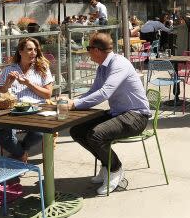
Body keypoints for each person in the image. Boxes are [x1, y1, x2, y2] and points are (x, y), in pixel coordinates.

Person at [64, 33, 151, 195]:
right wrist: (71, 101)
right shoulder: (103, 67)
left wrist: (74, 104)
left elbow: (104, 93)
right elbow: (94, 91)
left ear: (96, 50)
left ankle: (115, 168)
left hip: (136, 116)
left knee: (96, 135)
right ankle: (107, 164)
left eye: (88, 49)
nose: (88, 52)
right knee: (77, 131)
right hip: (118, 113)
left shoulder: (119, 64)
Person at [0, 37, 54, 162]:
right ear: (20, 52)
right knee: (0, 133)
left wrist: (28, 84)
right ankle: (21, 155)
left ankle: (20, 152)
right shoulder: (9, 70)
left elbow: (48, 94)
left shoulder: (42, 68)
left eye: (35, 50)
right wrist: (7, 84)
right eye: (29, 49)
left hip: (36, 110)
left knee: (40, 132)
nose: (33, 52)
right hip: (13, 111)